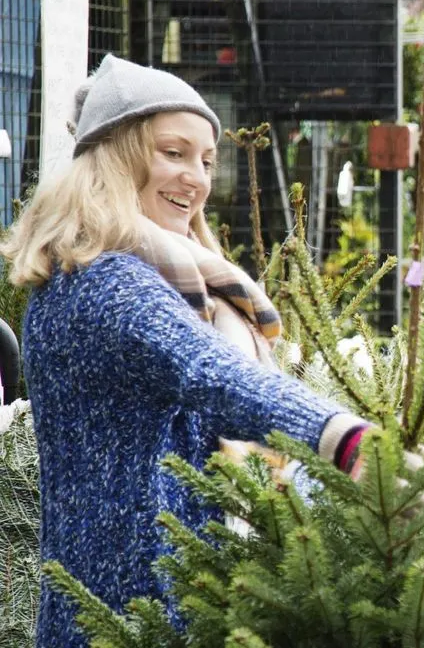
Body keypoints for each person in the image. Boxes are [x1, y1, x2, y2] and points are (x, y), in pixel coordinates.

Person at [0, 55, 372, 648]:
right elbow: (214, 376)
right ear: (117, 155)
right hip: (132, 611)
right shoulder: (106, 284)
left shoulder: (122, 275)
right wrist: (343, 438)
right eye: (172, 153)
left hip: (129, 605)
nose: (195, 179)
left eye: (204, 160)